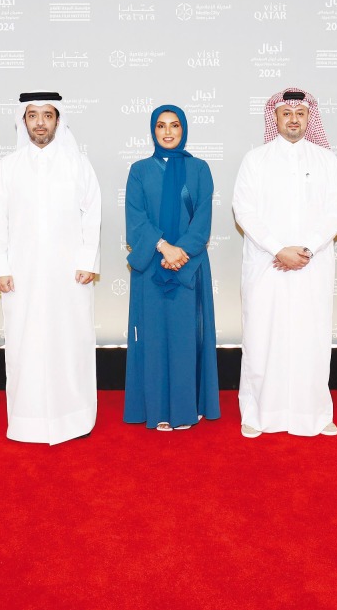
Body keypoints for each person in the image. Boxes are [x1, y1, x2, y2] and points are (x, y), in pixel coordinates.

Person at [232, 88, 337, 438]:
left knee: (311, 337)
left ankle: (314, 414)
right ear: (275, 119)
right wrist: (277, 249)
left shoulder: (327, 161)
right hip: (267, 265)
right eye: (286, 114)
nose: (293, 119)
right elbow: (244, 210)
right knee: (262, 337)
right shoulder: (256, 159)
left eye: (300, 114)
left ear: (309, 118)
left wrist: (308, 249)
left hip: (313, 264)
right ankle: (257, 413)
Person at [0, 92, 102, 444]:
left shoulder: (77, 163)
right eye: (33, 115)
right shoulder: (7, 167)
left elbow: (92, 214)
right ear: (23, 121)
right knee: (25, 343)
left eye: (47, 115)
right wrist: (0, 267)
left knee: (71, 342)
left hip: (70, 276)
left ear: (58, 120)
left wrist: (87, 261)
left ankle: (74, 418)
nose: (40, 122)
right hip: (20, 276)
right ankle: (28, 421)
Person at [123, 104, 220, 431]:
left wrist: (182, 252)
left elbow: (202, 221)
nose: (167, 132)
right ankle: (158, 409)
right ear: (153, 130)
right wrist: (164, 247)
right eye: (161, 126)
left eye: (174, 126)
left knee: (186, 338)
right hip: (152, 266)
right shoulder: (139, 170)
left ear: (183, 130)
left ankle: (185, 408)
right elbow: (136, 220)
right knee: (152, 338)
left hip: (189, 267)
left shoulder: (200, 169)